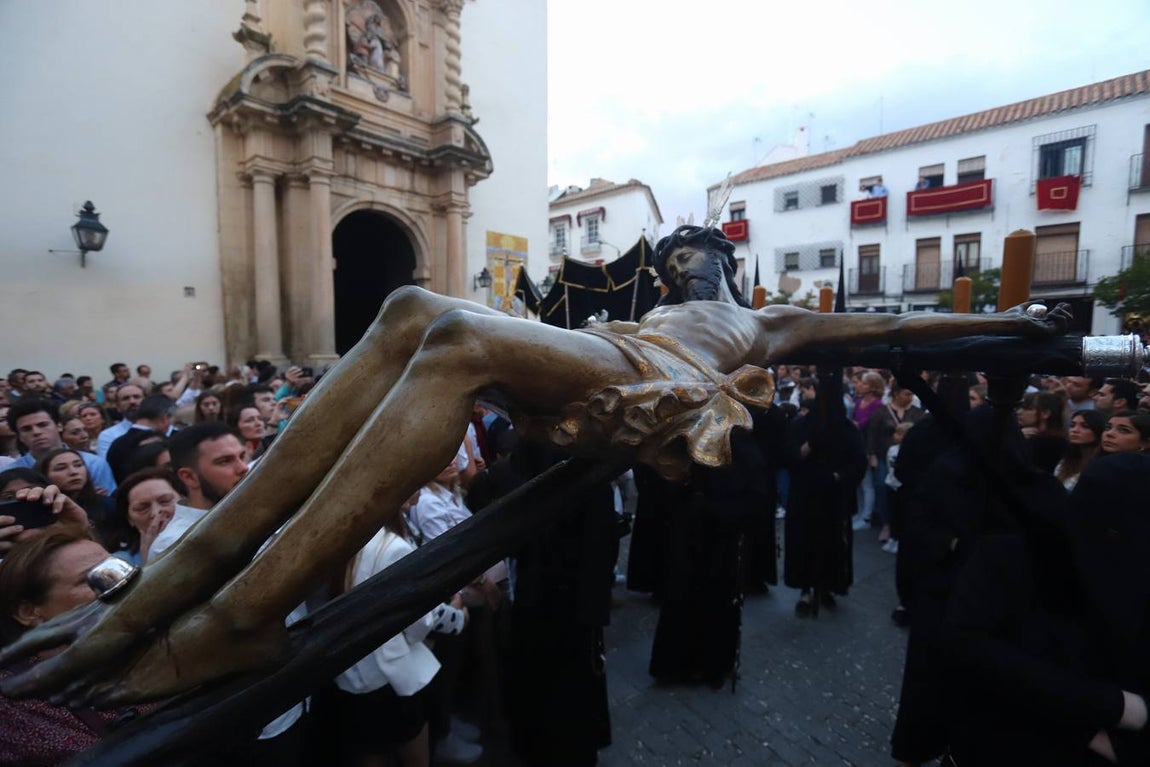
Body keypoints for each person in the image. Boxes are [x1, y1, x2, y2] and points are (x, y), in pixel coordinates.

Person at [0, 223, 1073, 708]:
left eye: (699, 254)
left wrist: (1020, 321)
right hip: (618, 361)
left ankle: (239, 606)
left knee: (453, 337)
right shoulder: (655, 303)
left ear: (729, 266)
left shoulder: (775, 318)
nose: (684, 259)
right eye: (677, 254)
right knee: (415, 305)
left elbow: (893, 326)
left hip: (649, 393)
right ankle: (203, 573)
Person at [331, 492, 467, 767]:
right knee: (413, 752)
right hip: (389, 676)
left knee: (369, 749)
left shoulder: (340, 540)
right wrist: (458, 616)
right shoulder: (392, 546)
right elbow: (419, 619)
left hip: (350, 676)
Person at [0, 528, 145, 766]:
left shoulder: (155, 647)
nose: (120, 584)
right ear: (28, 612)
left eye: (119, 568)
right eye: (93, 578)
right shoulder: (12, 704)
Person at [5, 400, 116, 494]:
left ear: (59, 426)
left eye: (42, 425)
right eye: (27, 429)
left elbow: (109, 503)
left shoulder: (93, 464)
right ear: (19, 436)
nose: (36, 432)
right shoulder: (9, 472)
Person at [35, 448, 117, 545]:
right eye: (61, 468)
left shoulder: (109, 506)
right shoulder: (39, 513)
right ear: (44, 475)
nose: (73, 472)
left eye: (78, 465)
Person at [106, 468, 183, 565]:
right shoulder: (121, 563)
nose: (156, 513)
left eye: (165, 501)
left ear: (183, 500)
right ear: (129, 519)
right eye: (142, 508)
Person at [1054, 409, 1105, 490]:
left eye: (1085, 426)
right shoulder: (1065, 461)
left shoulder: (1102, 465)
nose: (1075, 430)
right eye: (1072, 425)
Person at [95, 383, 145, 457]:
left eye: (136, 397)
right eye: (125, 398)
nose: (132, 401)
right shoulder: (108, 436)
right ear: (118, 406)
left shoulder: (163, 427)